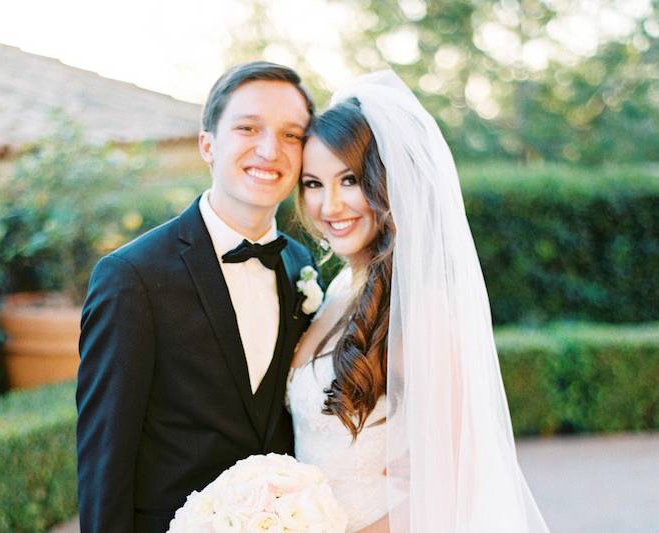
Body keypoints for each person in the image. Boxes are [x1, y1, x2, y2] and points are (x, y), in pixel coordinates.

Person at [287, 71, 550, 532]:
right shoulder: (340, 290)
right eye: (313, 184)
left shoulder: (422, 311)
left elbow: (456, 485)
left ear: (386, 182)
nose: (329, 206)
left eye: (348, 180)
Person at [76, 61, 317, 533]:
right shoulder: (131, 277)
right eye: (248, 128)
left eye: (292, 135)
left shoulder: (298, 265)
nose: (270, 150)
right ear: (208, 144)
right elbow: (105, 459)